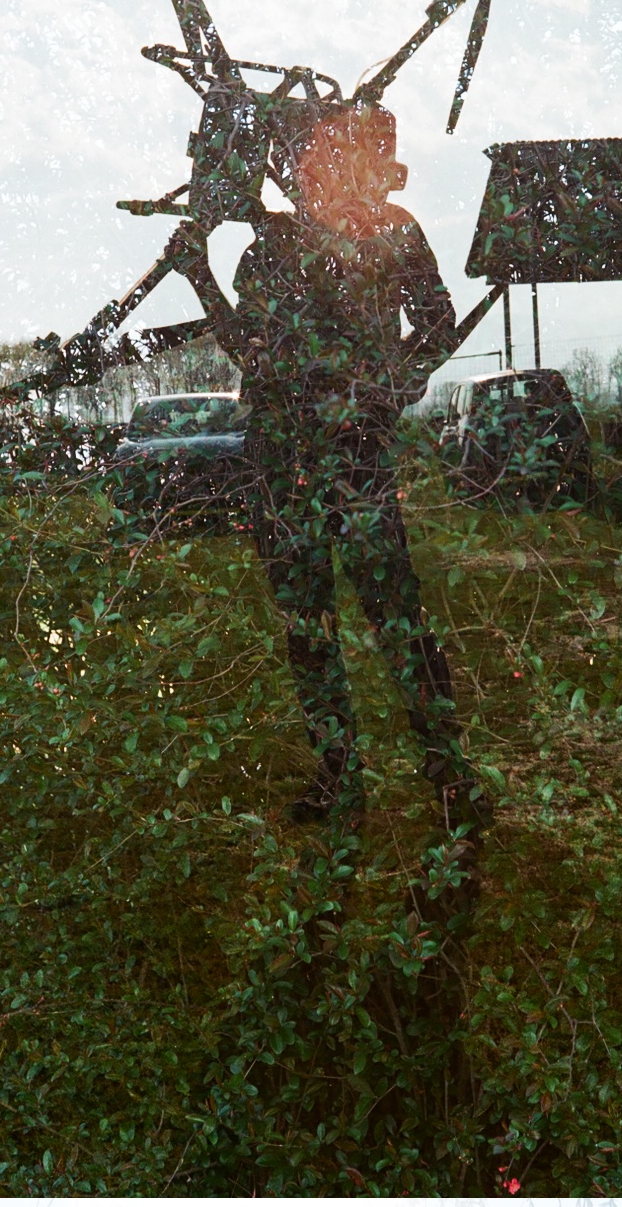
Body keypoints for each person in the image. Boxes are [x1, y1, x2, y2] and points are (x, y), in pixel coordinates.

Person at [182, 103, 490, 831]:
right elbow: (250, 352)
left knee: (399, 621)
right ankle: (340, 777)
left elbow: (438, 323)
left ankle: (450, 775)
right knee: (308, 632)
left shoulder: (393, 230)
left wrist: (388, 387)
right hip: (283, 466)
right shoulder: (269, 250)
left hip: (357, 463)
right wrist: (200, 277)